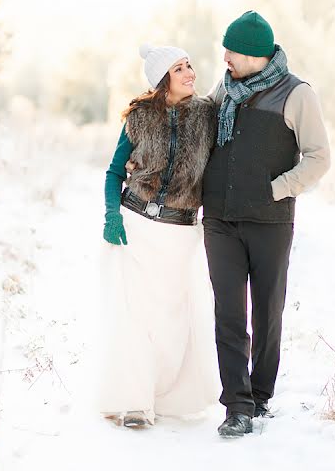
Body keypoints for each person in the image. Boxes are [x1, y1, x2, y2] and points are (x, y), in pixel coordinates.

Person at [203, 11, 331, 437]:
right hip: (219, 217)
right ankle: (236, 405)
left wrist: (277, 189)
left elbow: (318, 158)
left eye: (232, 51)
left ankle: (260, 395)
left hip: (270, 221)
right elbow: (196, 127)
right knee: (229, 313)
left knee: (268, 310)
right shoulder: (224, 86)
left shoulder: (297, 94)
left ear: (256, 55)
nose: (224, 57)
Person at [97, 44, 218, 428]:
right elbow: (115, 171)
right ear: (163, 77)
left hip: (181, 232)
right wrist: (111, 214)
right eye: (180, 68)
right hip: (138, 225)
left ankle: (167, 396)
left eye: (190, 65)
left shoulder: (206, 116)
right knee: (136, 314)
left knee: (174, 319)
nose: (190, 73)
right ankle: (133, 401)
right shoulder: (139, 117)